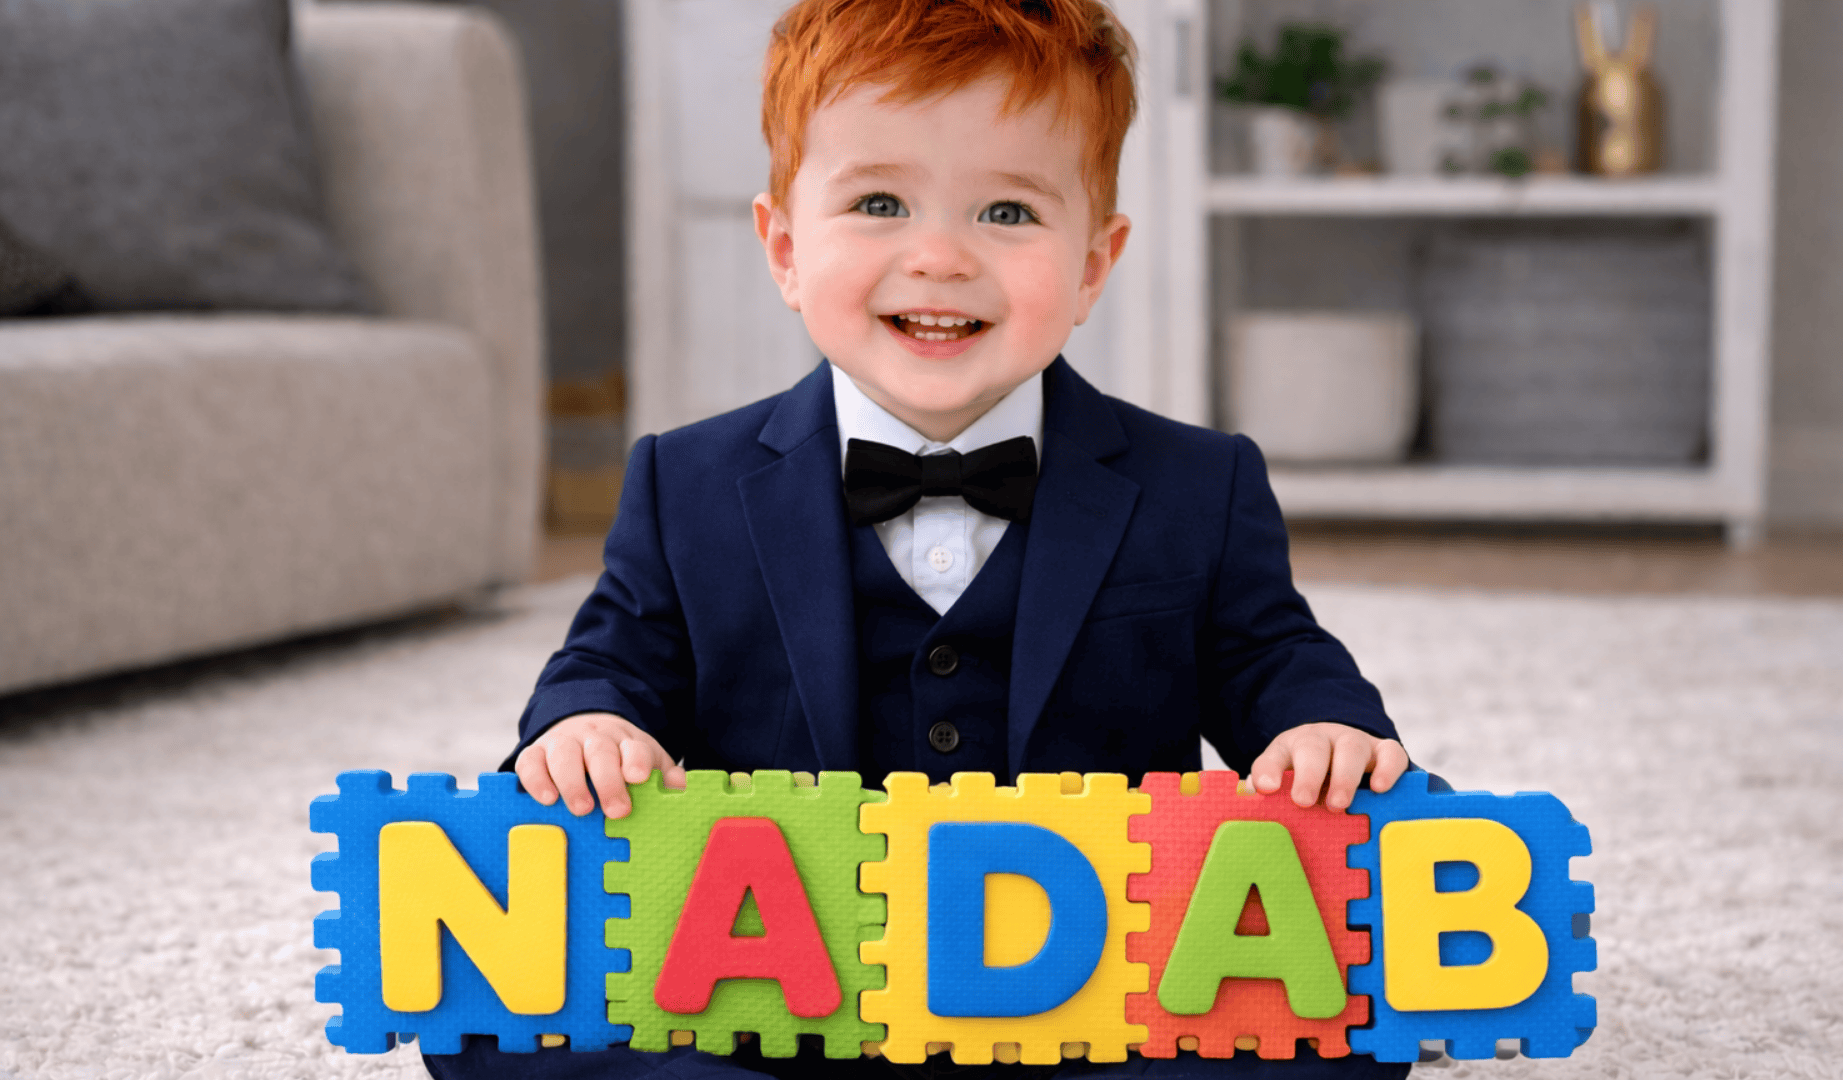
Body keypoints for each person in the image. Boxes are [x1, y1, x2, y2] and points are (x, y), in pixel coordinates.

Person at [428, 2, 1410, 1077]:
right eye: (880, 203)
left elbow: (1271, 652)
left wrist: (1320, 725)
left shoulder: (1195, 484)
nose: (939, 257)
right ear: (786, 249)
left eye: (1007, 212)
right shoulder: (688, 482)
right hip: (786, 994)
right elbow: (616, 658)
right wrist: (591, 723)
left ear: (1093, 264)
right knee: (483, 1015)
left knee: (1365, 981)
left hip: (1093, 998)